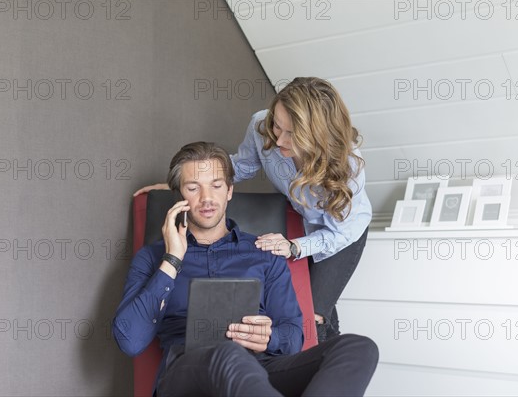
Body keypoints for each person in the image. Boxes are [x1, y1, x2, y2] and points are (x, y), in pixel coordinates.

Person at [114, 142, 378, 396]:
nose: (207, 198)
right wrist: (172, 259)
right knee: (228, 354)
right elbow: (130, 340)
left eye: (216, 186)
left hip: (258, 368)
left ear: (229, 190)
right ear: (179, 196)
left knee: (358, 348)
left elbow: (292, 336)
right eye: (193, 188)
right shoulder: (153, 257)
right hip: (186, 372)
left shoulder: (263, 253)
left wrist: (270, 338)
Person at [134, 77, 372, 342]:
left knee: (314, 318)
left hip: (340, 232)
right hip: (301, 219)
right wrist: (183, 184)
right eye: (277, 125)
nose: (279, 138)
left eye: (291, 133)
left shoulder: (349, 166)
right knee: (309, 304)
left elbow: (341, 233)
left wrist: (295, 247)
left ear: (317, 135)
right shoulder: (262, 125)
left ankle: (332, 358)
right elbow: (243, 165)